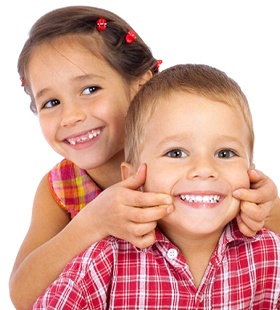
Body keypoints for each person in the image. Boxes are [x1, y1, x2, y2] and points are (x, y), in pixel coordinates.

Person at [9, 5, 280, 310]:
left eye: (90, 88)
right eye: (51, 102)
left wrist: (264, 207)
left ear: (140, 85)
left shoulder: (200, 159)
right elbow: (23, 295)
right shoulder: (60, 187)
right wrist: (92, 223)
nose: (70, 116)